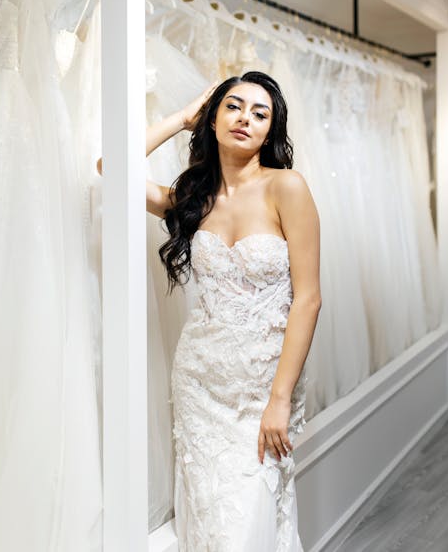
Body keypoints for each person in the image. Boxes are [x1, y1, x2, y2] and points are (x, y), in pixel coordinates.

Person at [100, 71, 322, 550]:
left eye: (260, 113)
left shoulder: (288, 188)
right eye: (234, 106)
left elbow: (308, 298)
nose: (245, 118)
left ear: (271, 130)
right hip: (201, 385)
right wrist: (180, 119)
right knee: (211, 527)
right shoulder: (194, 200)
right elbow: (110, 168)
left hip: (261, 393)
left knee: (250, 525)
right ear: (213, 118)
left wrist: (279, 400)